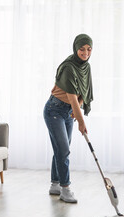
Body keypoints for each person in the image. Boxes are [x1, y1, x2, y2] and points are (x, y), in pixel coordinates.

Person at [43, 34, 93, 203]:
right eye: (82, 49)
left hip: (68, 112)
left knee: (60, 148)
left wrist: (77, 111)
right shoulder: (69, 68)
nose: (85, 53)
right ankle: (65, 189)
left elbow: (82, 94)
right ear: (75, 48)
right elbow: (72, 98)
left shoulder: (86, 67)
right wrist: (81, 122)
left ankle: (55, 184)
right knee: (63, 149)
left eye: (89, 49)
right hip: (54, 110)